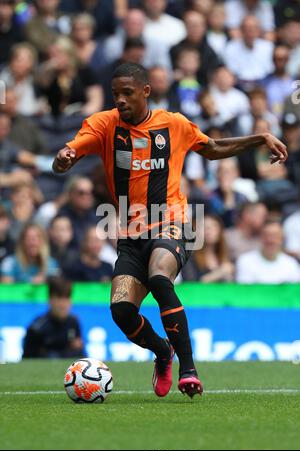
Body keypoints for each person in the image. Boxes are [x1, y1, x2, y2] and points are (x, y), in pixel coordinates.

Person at [53, 62, 287, 398]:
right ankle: (164, 353)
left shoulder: (173, 124)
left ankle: (189, 369)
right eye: (115, 93)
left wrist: (260, 138)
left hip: (175, 224)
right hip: (131, 235)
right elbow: (72, 149)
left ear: (145, 91)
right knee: (121, 311)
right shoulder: (105, 125)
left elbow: (213, 149)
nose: (120, 100)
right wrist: (64, 158)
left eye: (127, 93)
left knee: (160, 277)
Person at [23, 277, 84, 358]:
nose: (63, 304)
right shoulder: (37, 327)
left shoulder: (73, 322)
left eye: (67, 298)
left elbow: (80, 354)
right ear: (50, 300)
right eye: (59, 298)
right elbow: (27, 359)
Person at [236, 220, 300, 283]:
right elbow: (245, 290)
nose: (270, 240)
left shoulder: (291, 264)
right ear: (260, 237)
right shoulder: (245, 261)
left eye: (275, 235)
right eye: (266, 235)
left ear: (282, 238)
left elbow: (294, 291)